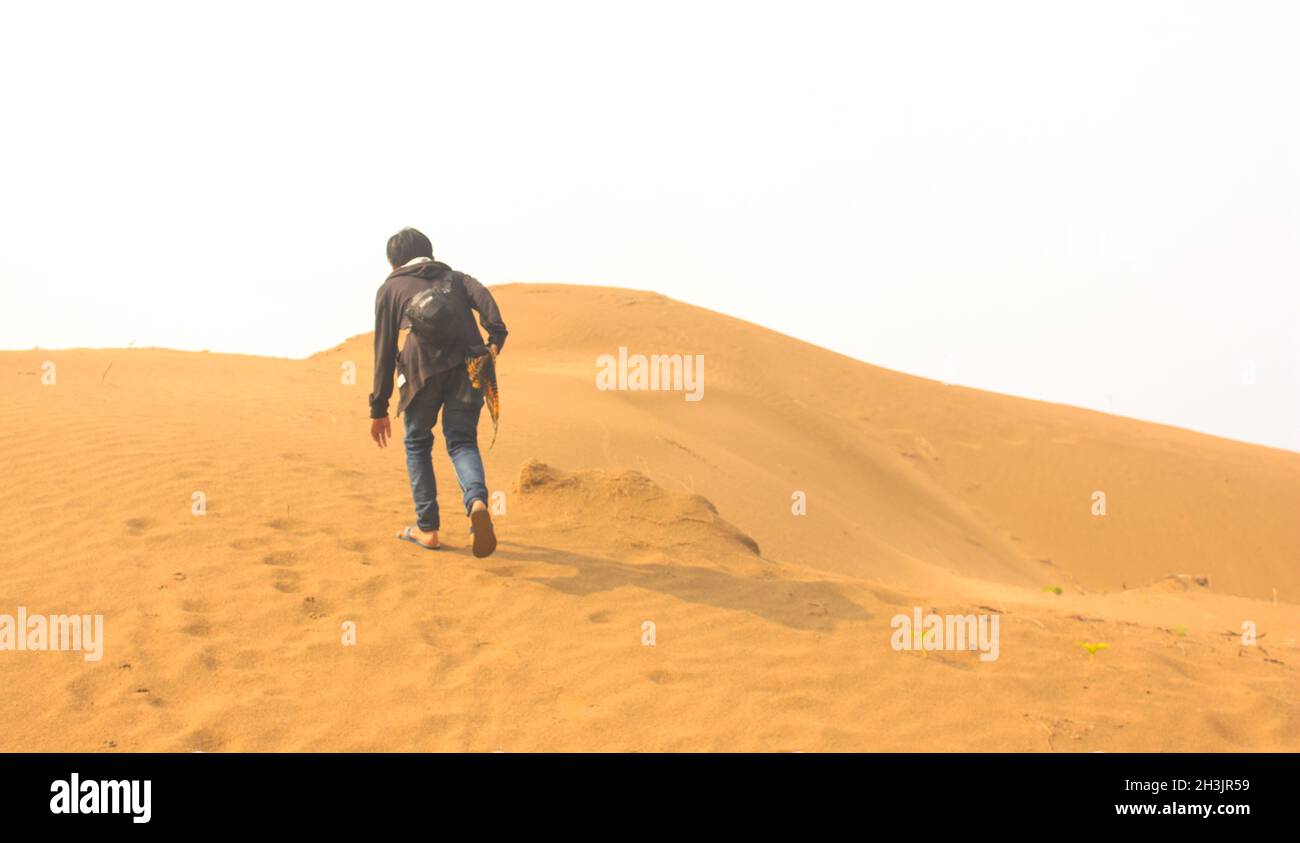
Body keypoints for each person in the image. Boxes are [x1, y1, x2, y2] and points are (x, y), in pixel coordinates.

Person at [368, 227, 507, 557]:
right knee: (461, 441)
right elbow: (492, 313)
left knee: (417, 442)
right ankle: (476, 502)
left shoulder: (391, 288)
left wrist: (379, 408)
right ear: (428, 252)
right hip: (469, 365)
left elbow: (384, 349)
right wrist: (493, 344)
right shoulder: (455, 278)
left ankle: (427, 528)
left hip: (422, 371)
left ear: (394, 262)